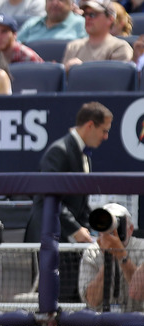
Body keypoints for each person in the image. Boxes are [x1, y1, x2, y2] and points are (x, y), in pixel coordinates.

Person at [24, 102, 112, 301]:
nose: (106, 137)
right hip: (49, 239)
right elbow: (45, 196)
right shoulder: (59, 151)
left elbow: (79, 203)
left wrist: (98, 227)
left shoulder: (85, 155)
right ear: (90, 125)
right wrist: (75, 228)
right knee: (55, 301)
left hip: (67, 242)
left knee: (70, 298)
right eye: (104, 131)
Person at [79, 203, 144, 312]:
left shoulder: (141, 248)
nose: (112, 231)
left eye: (118, 226)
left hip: (137, 319)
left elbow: (140, 293)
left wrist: (121, 255)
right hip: (102, 320)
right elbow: (91, 301)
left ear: (131, 229)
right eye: (105, 224)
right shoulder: (92, 252)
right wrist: (108, 259)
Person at [62, 0, 133, 72]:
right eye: (85, 14)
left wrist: (82, 70)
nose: (87, 18)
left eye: (92, 14)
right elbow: (64, 82)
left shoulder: (120, 48)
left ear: (110, 19)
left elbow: (115, 80)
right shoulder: (73, 47)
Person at [17, 0, 87, 44]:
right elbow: (15, 47)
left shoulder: (83, 25)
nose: (55, 3)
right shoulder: (31, 24)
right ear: (45, 2)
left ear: (72, 4)